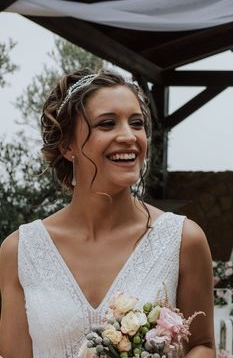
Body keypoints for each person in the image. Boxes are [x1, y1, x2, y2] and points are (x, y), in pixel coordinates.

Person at [0, 69, 215, 357]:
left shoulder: (184, 240)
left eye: (136, 123)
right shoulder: (21, 250)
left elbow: (203, 345)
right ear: (67, 145)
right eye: (107, 124)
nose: (129, 136)